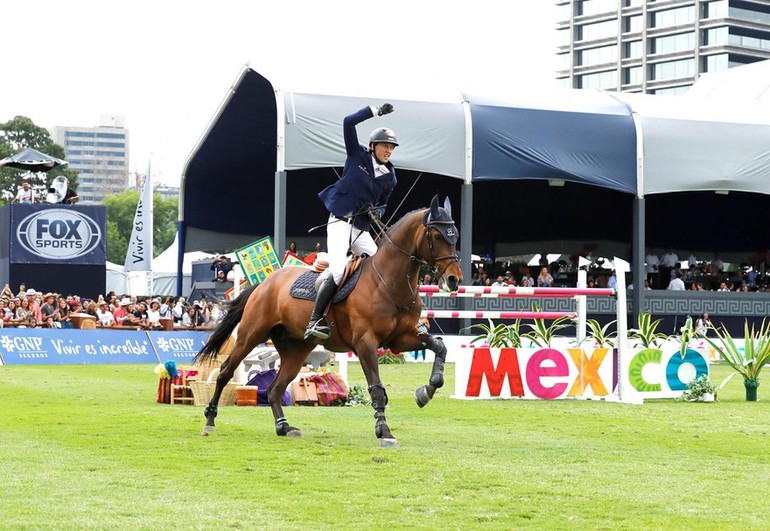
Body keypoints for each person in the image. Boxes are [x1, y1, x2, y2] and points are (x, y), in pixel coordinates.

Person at [304, 102, 398, 341]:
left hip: (360, 228)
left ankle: (377, 316)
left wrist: (377, 211)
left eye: (392, 148)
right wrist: (374, 111)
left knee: (381, 265)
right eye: (385, 146)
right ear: (374, 146)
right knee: (337, 270)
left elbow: (384, 204)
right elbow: (348, 121)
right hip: (338, 222)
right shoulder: (356, 155)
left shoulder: (391, 178)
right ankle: (314, 321)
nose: (388, 151)